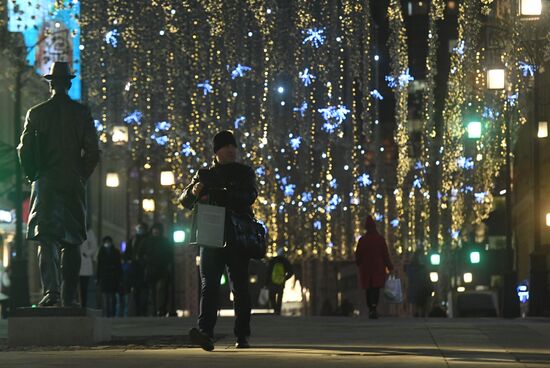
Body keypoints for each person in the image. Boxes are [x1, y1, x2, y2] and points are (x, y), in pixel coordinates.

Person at [17, 61, 100, 307]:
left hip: (46, 183)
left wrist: (34, 176)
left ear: (51, 83)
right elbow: (93, 152)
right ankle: (70, 296)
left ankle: (50, 293)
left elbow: (25, 151)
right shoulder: (81, 113)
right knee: (72, 239)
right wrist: (80, 176)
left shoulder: (36, 113)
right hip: (72, 181)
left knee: (47, 239)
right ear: (69, 83)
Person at [180, 130, 257, 351]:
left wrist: (224, 195)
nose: (232, 150)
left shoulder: (244, 172)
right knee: (209, 286)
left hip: (236, 235)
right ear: (217, 151)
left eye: (234, 146)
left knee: (240, 286)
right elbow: (184, 200)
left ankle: (242, 335)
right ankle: (205, 333)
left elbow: (250, 195)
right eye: (226, 146)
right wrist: (193, 191)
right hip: (210, 235)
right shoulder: (204, 174)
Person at [354, 215, 393, 319]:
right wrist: (390, 267)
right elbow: (385, 254)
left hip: (366, 269)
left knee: (368, 288)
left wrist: (358, 262)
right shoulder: (380, 239)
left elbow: (358, 254)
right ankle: (374, 307)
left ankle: (370, 308)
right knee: (376, 289)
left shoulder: (362, 240)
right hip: (378, 268)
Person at [143, 223, 173, 317]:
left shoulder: (165, 241)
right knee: (153, 292)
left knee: (161, 289)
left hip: (162, 269)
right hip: (152, 269)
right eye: (154, 229)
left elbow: (170, 255)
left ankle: (161, 309)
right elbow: (140, 253)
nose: (156, 231)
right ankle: (155, 310)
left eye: (157, 229)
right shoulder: (147, 241)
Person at [97, 236, 122, 317]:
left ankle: (111, 314)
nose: (107, 244)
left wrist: (119, 278)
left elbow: (119, 266)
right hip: (105, 277)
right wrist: (98, 277)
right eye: (106, 242)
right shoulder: (101, 252)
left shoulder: (116, 252)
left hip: (113, 278)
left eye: (108, 242)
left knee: (112, 297)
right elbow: (99, 266)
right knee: (105, 297)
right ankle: (106, 314)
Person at [128, 223, 149, 316]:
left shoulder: (148, 239)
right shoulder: (134, 239)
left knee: (144, 291)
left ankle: (143, 311)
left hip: (143, 268)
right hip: (135, 268)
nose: (139, 230)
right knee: (136, 291)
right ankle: (137, 311)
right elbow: (128, 252)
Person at [265, 248, 294, 315]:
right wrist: (285, 278)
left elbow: (268, 272)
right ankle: (278, 311)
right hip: (281, 282)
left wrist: (266, 283)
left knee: (272, 297)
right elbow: (291, 272)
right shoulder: (285, 261)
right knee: (279, 297)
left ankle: (275, 309)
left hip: (272, 282)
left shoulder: (273, 260)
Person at [405, 250, 432, 317]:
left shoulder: (411, 268)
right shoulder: (423, 268)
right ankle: (419, 314)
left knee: (417, 305)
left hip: (418, 289)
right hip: (420, 289)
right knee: (420, 305)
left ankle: (417, 314)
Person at [79, 227, 98, 309]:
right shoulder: (73, 229)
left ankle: (83, 305)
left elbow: (94, 247)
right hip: (75, 262)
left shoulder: (89, 233)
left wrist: (87, 253)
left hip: (85, 263)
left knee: (84, 287)